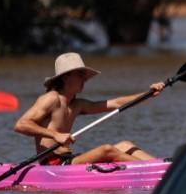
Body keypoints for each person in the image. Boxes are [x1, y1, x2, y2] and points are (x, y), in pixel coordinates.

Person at [13, 52, 164, 165]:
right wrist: (54, 135)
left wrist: (148, 94)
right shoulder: (50, 99)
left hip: (70, 158)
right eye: (80, 75)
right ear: (66, 77)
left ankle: (165, 167)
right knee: (106, 149)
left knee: (126, 145)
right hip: (54, 164)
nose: (84, 79)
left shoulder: (77, 104)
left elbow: (116, 103)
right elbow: (21, 125)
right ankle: (148, 171)